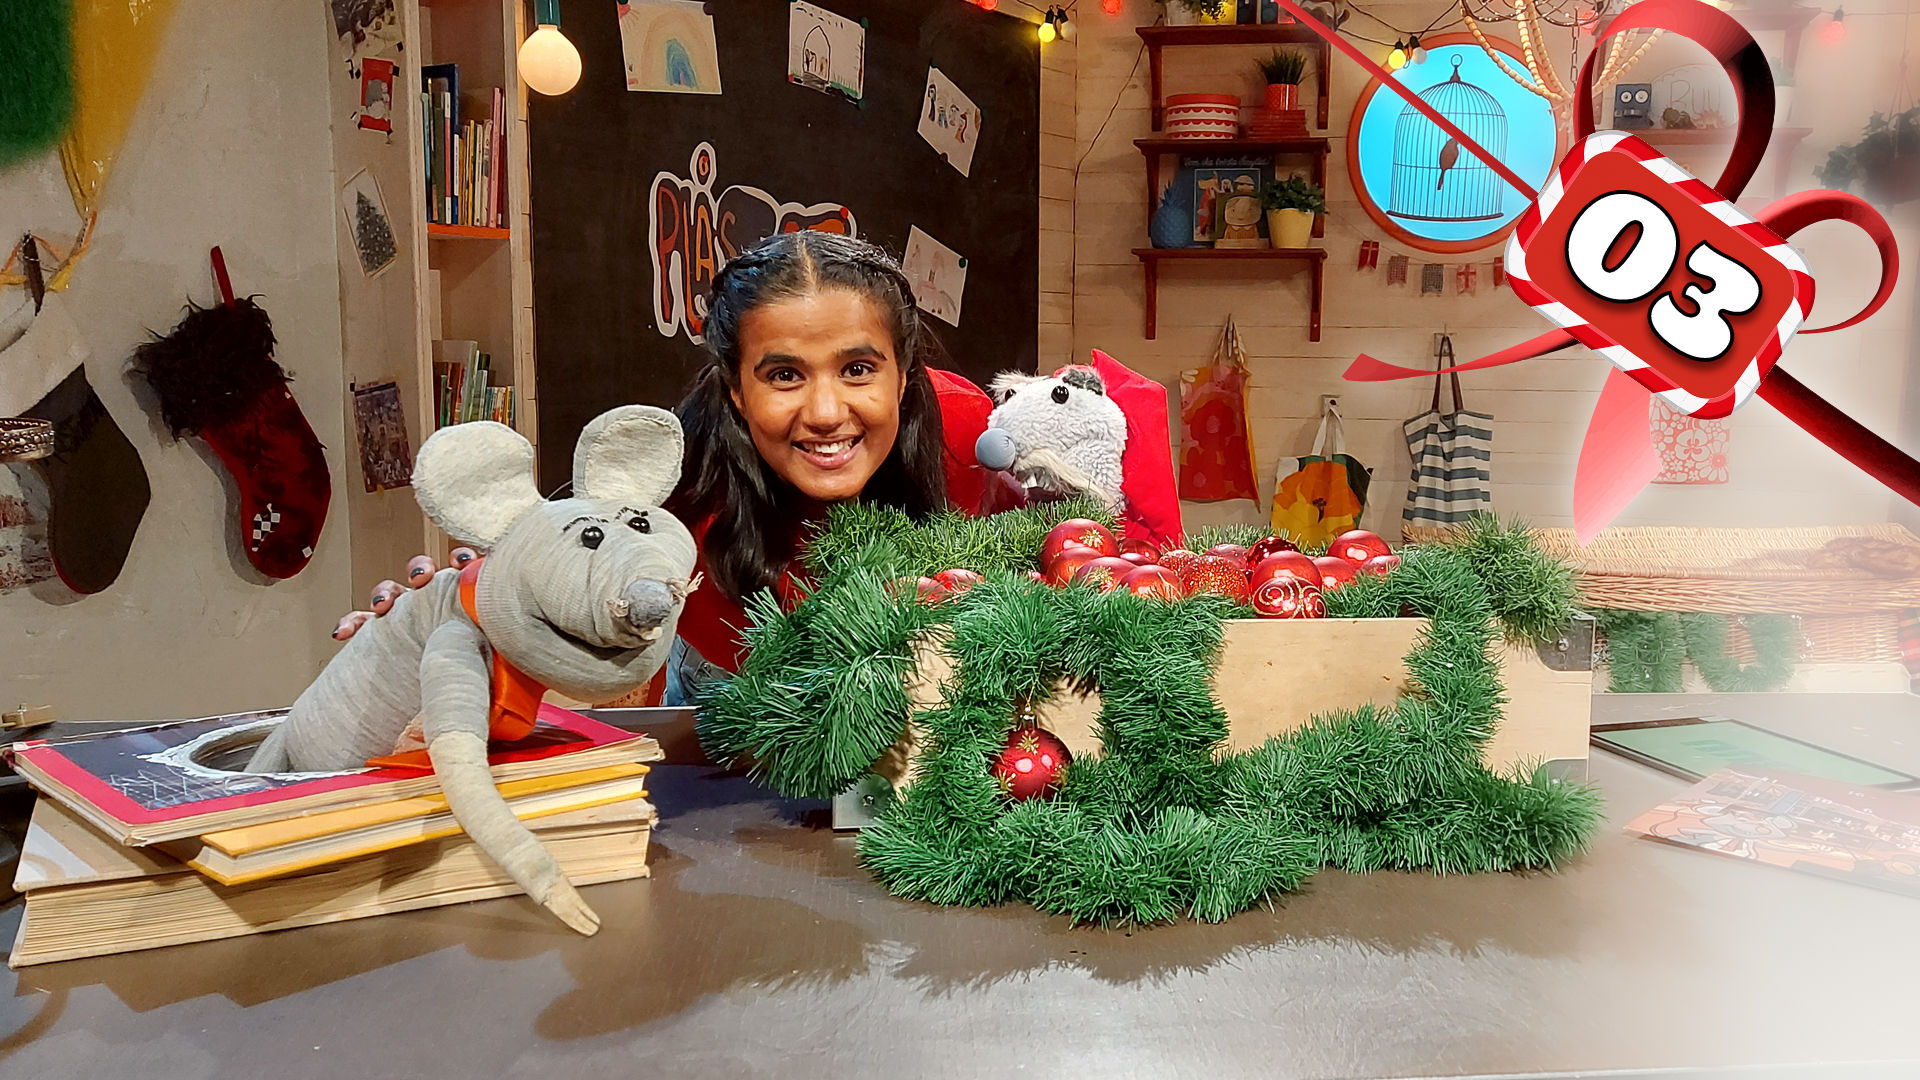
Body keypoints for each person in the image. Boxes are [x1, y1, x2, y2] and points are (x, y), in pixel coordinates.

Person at [337, 230, 994, 706]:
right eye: (784, 375)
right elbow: (558, 583)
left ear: (903, 374)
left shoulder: (976, 438)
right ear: (736, 390)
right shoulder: (673, 492)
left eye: (858, 369)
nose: (826, 412)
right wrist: (442, 626)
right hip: (736, 692)